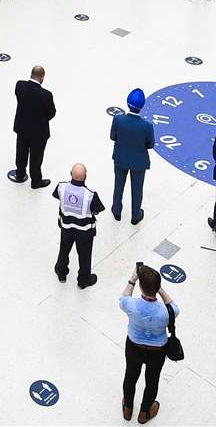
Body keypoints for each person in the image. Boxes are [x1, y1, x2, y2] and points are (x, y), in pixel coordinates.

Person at [120, 262, 177, 424]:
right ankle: (144, 413)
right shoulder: (167, 311)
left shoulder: (131, 305)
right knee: (152, 381)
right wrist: (159, 288)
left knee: (130, 376)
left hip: (133, 346)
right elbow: (174, 306)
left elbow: (123, 298)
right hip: (157, 351)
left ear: (140, 286)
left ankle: (128, 408)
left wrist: (132, 279)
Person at [53, 163, 104, 288]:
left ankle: (61, 272)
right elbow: (97, 210)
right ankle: (83, 281)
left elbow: (56, 196)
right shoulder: (90, 195)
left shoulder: (61, 187)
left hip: (66, 227)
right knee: (85, 257)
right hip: (84, 232)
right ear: (85, 177)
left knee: (64, 250)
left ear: (70, 174)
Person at [110, 89, 155, 223]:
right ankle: (136, 215)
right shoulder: (147, 126)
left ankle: (117, 211)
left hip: (120, 158)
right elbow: (150, 144)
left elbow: (113, 137)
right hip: (138, 162)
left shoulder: (118, 119)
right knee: (137, 189)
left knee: (118, 185)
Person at [12, 65, 55, 187]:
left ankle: (20, 173)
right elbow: (51, 113)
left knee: (21, 151)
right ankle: (35, 180)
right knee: (36, 156)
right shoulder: (46, 95)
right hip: (39, 132)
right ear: (42, 78)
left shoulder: (19, 85)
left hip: (22, 127)